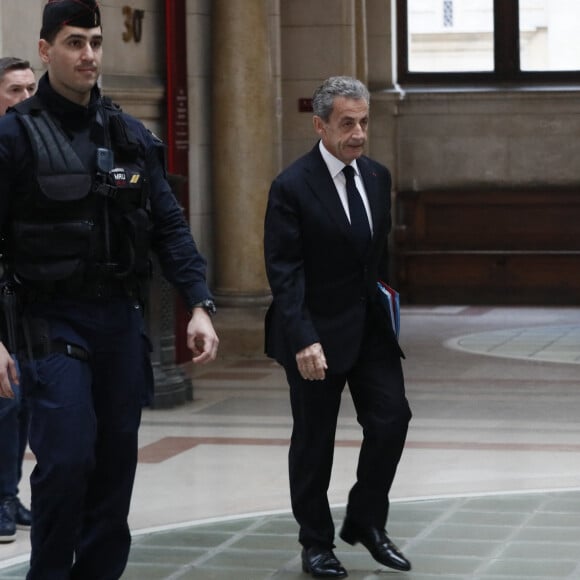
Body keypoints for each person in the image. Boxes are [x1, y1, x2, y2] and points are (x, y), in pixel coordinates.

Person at [0, 1, 219, 578]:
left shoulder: (128, 135)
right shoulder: (13, 137)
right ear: (46, 50)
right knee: (68, 460)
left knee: (115, 464)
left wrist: (198, 302)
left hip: (119, 323)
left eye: (95, 42)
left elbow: (168, 225)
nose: (89, 54)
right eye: (74, 43)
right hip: (51, 320)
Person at [264, 76, 412, 577]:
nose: (358, 133)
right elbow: (284, 272)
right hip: (314, 332)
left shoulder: (376, 177)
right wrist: (303, 337)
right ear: (320, 124)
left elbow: (377, 258)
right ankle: (316, 543)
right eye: (347, 123)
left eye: (364, 122)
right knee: (314, 440)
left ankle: (366, 521)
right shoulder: (292, 185)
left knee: (393, 420)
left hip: (368, 328)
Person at [0, 56, 36, 544]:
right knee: (6, 398)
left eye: (31, 90)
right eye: (14, 91)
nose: (26, 100)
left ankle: (10, 490)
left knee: (23, 399)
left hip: (26, 296)